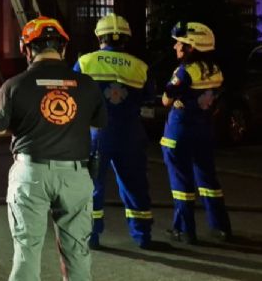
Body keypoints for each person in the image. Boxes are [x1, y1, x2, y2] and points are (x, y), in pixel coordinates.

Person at [0, 16, 106, 281]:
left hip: (31, 175)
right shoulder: (87, 84)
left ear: (27, 49)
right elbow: (98, 122)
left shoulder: (14, 86)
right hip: (76, 176)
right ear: (63, 48)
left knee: (27, 250)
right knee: (77, 252)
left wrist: (25, 125)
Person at [74, 14, 155, 249]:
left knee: (92, 185)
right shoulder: (140, 67)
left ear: (99, 36)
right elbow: (149, 97)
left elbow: (72, 94)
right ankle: (143, 236)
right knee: (135, 184)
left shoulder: (86, 62)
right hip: (131, 132)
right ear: (125, 38)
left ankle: (92, 236)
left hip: (97, 133)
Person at [160, 21, 232, 244]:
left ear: (191, 47)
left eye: (179, 44)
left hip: (179, 133)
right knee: (209, 181)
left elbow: (166, 99)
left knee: (181, 183)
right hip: (204, 132)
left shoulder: (185, 71)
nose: (175, 48)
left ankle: (184, 230)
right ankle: (221, 228)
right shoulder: (216, 70)